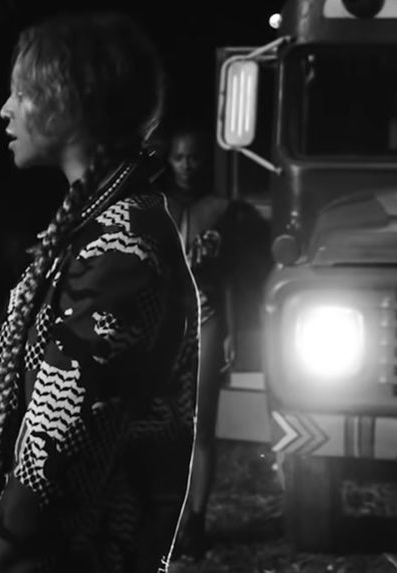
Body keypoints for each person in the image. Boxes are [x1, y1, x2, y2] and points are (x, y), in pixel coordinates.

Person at [0, 11, 198, 572]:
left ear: (69, 100)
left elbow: (55, 448)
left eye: (21, 92)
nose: (5, 109)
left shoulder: (121, 248)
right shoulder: (98, 224)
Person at [158, 125, 242, 558]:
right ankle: (165, 518)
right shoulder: (156, 208)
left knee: (201, 426)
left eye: (193, 157)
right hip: (164, 326)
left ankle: (197, 521)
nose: (187, 165)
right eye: (179, 157)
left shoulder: (223, 210)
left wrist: (231, 330)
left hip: (208, 322)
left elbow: (230, 276)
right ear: (168, 160)